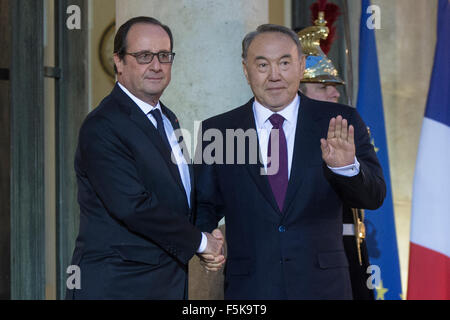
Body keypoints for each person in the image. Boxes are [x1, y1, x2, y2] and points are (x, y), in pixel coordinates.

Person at [194, 24, 386, 299]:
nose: (274, 75)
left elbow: (374, 197)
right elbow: (203, 205)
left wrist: (345, 167)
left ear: (301, 65)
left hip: (324, 287)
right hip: (251, 288)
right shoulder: (220, 131)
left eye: (284, 63)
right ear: (245, 70)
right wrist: (207, 239)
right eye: (262, 65)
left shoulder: (340, 121)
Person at [67, 16, 224, 300]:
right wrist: (201, 242)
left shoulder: (167, 118)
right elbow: (133, 206)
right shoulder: (102, 126)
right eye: (143, 56)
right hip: (119, 286)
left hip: (165, 283)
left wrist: (205, 229)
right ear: (119, 61)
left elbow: (180, 195)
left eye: (164, 56)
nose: (156, 65)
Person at [298, 16, 375, 300]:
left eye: (335, 85)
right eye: (322, 86)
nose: (334, 91)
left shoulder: (349, 127)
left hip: (349, 254)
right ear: (299, 91)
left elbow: (372, 196)